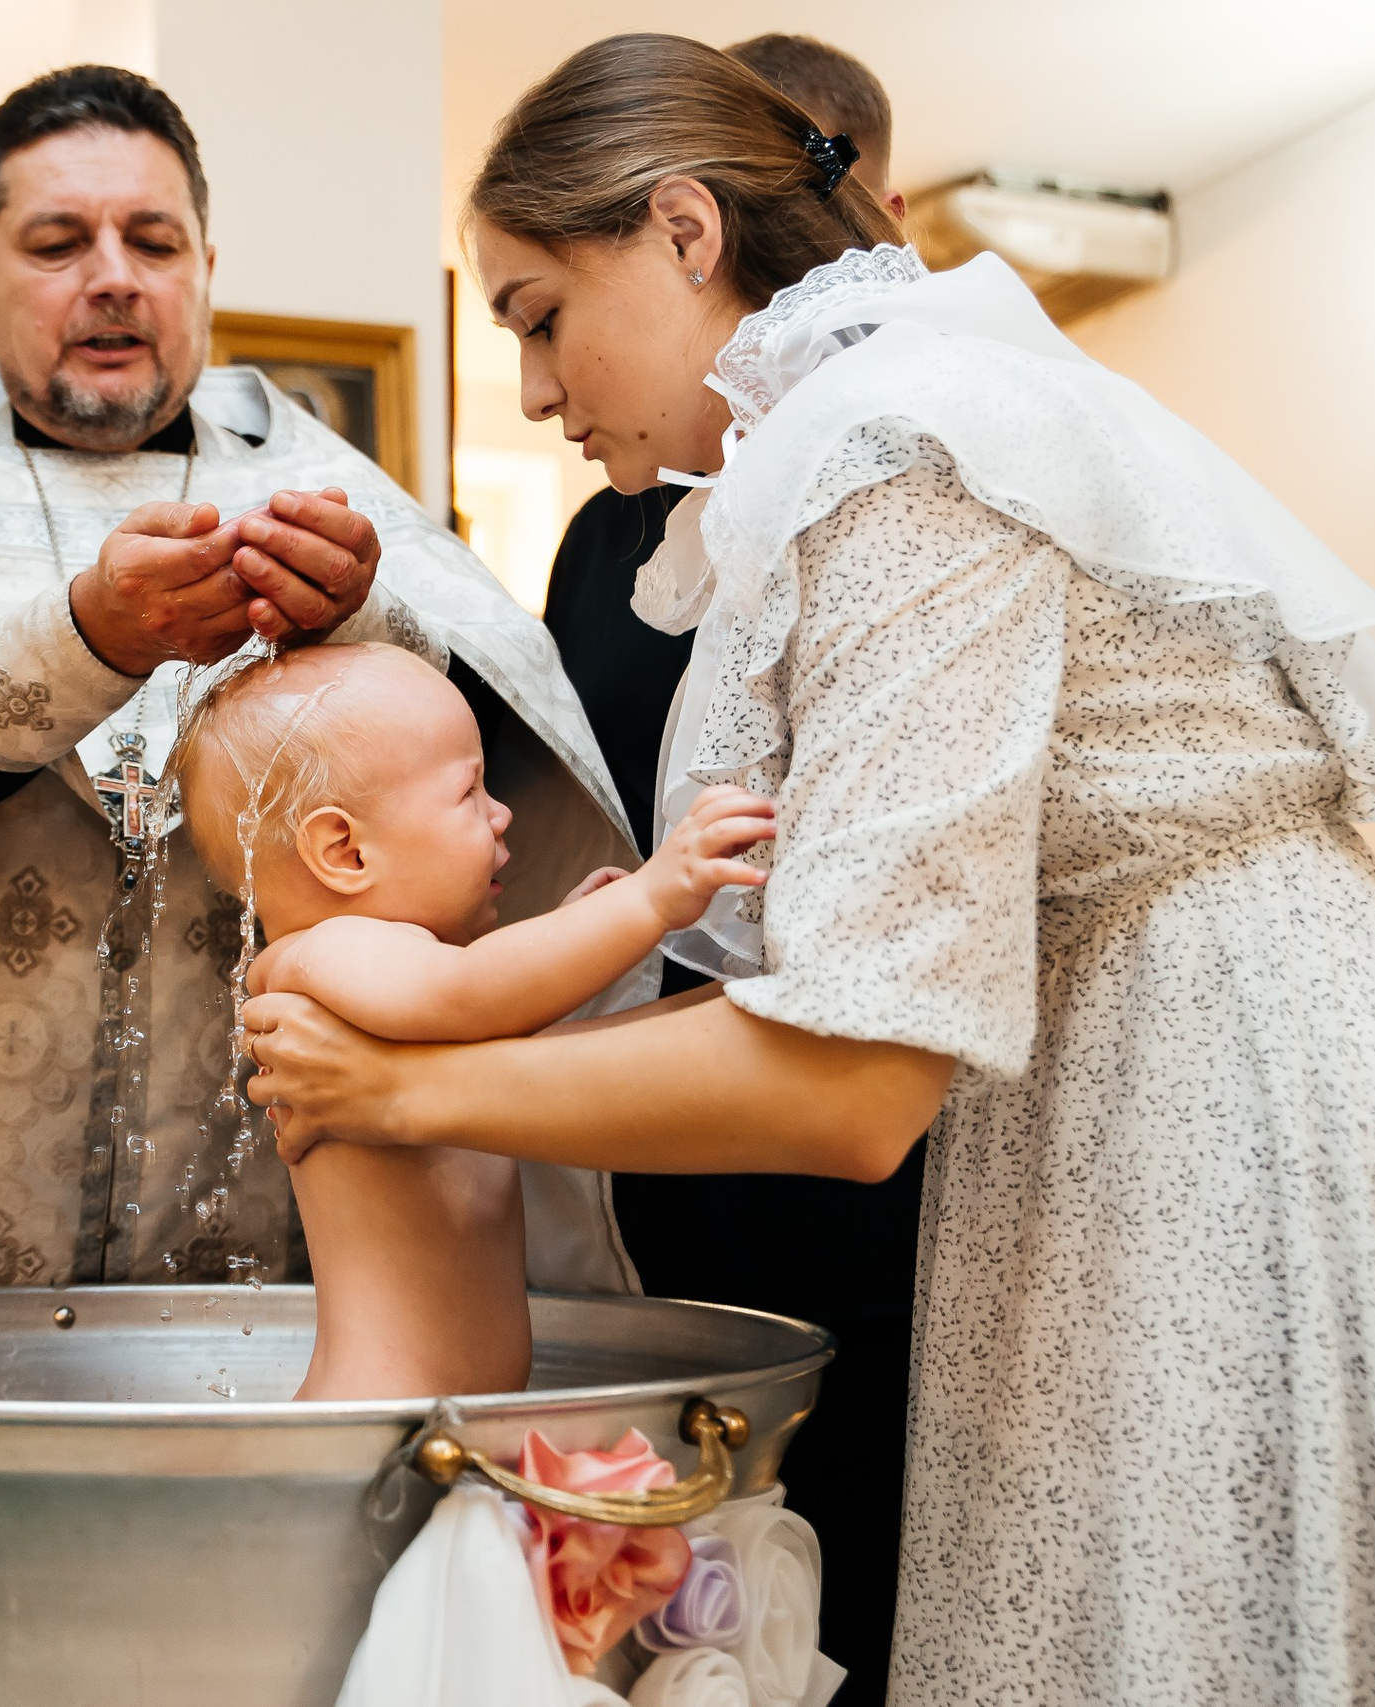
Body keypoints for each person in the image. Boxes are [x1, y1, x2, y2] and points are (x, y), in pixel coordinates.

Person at [244, 32, 1375, 1703]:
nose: (541, 390)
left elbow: (850, 1083)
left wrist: (403, 1091)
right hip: (1124, 1078)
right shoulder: (871, 429)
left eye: (539, 315)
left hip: (1233, 1098)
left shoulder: (898, 453)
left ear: (684, 230)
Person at [0, 65, 640, 1302]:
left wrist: (363, 619)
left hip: (272, 1173)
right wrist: (87, 640)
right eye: (59, 242)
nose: (112, 276)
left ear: (203, 271)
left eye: (152, 241)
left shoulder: (324, 481)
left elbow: (500, 760)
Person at [534, 31, 916, 1705]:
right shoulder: (617, 533)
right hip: (675, 1125)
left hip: (890, 1110)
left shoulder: (899, 471)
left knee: (895, 1561)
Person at [167, 641, 774, 1398]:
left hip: (442, 1416)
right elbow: (469, 994)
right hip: (375, 1413)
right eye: (470, 792)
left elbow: (484, 1039)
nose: (502, 812)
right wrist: (648, 899)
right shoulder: (322, 958)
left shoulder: (390, 978)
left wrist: (575, 929)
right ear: (346, 850)